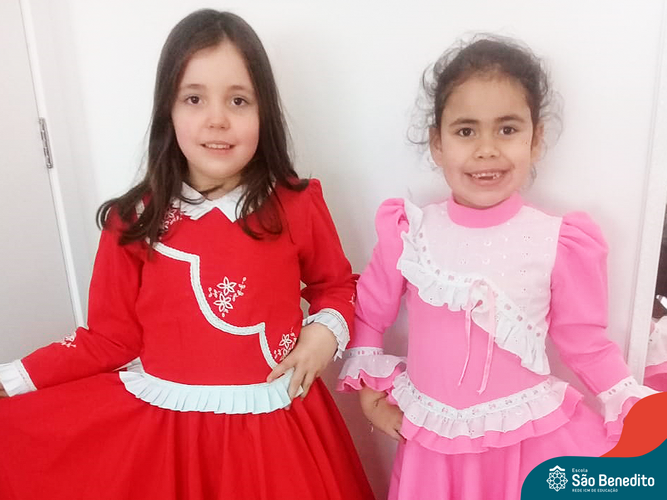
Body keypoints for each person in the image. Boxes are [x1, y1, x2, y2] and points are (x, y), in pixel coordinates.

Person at [0, 9, 374, 500]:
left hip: (278, 436)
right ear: (168, 111)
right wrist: (14, 381)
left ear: (263, 112)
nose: (217, 118)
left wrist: (322, 335)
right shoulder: (133, 221)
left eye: (238, 100)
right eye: (194, 98)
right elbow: (107, 340)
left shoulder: (296, 205)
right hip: (172, 443)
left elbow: (336, 286)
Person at [337, 35, 655, 500]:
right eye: (466, 131)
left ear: (535, 139)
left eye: (507, 129)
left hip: (527, 445)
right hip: (433, 449)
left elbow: (585, 342)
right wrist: (370, 397)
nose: (486, 149)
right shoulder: (411, 232)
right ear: (438, 143)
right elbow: (370, 314)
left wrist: (630, 401)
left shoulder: (558, 241)